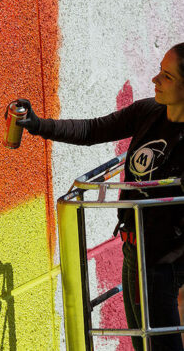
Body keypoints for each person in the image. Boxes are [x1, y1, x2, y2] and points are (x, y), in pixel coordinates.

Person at [14, 43, 184, 350]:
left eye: (167, 76)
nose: (155, 80)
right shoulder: (149, 112)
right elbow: (93, 130)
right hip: (133, 249)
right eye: (159, 70)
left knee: (161, 344)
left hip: (164, 260)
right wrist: (39, 126)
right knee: (142, 343)